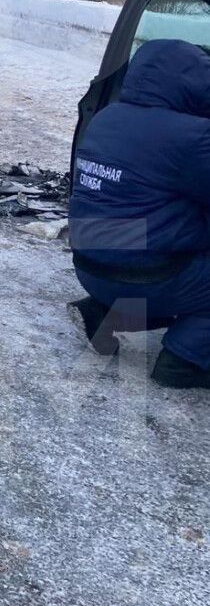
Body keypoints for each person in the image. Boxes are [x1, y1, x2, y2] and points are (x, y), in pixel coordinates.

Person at [68, 39, 210, 389]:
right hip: (144, 272)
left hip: (90, 263)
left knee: (164, 245)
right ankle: (185, 360)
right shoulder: (191, 137)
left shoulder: (106, 118)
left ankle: (104, 314)